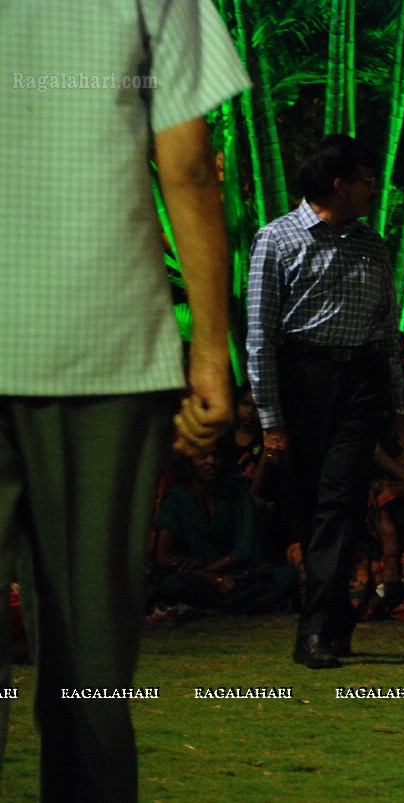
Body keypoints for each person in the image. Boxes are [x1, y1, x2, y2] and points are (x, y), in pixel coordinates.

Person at [0, 3, 248, 798]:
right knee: (91, 652)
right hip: (99, 332)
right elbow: (185, 162)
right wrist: (211, 346)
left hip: (97, 338)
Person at [246, 135, 404, 669]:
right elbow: (260, 337)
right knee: (316, 510)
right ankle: (330, 623)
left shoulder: (370, 243)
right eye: (366, 179)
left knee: (340, 504)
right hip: (302, 381)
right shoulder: (276, 239)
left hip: (359, 382)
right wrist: (271, 422)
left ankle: (317, 630)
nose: (373, 189)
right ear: (338, 185)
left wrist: (398, 405)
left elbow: (386, 330)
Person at [153, 449, 297, 614]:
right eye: (202, 456)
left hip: (234, 575)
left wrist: (210, 574)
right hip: (197, 578)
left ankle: (213, 608)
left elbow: (244, 551)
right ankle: (236, 607)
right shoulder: (176, 498)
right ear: (189, 462)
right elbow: (162, 556)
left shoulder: (238, 494)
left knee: (286, 577)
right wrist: (209, 578)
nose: (211, 461)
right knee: (172, 586)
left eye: (217, 455)